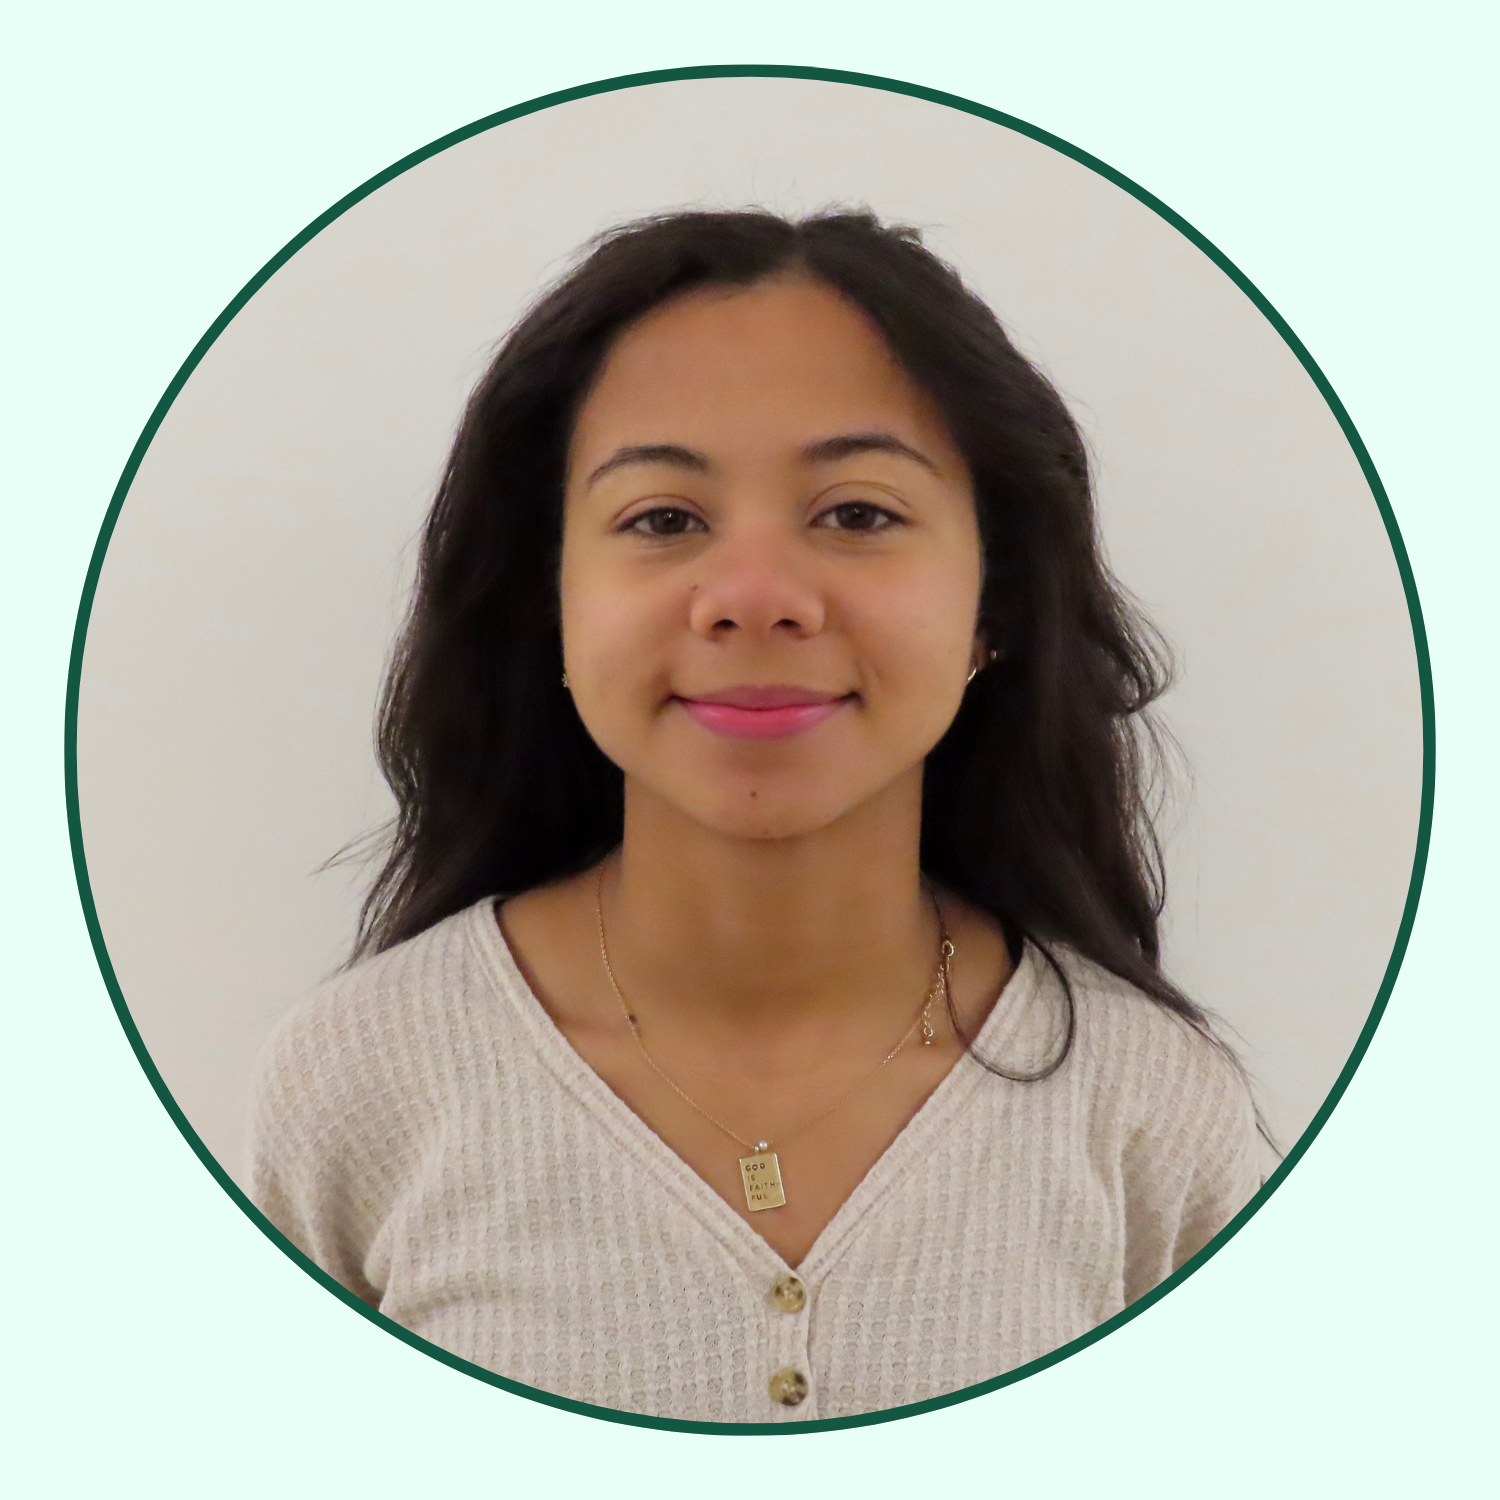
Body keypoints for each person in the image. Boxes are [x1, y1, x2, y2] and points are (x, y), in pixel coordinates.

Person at [247, 209, 1262, 1424]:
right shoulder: (360, 1086)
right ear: (550, 601)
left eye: (858, 513)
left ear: (994, 599)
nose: (756, 600)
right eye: (663, 520)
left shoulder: (1150, 1111)